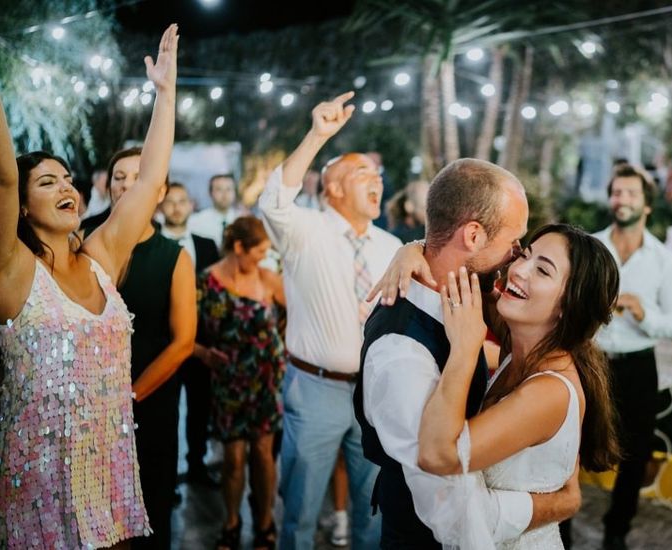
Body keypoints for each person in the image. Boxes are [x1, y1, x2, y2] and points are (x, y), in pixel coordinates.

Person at [0, 24, 178, 549]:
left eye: (69, 179)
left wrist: (164, 95)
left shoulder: (102, 256)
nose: (66, 187)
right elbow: (5, 176)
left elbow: (148, 179)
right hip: (37, 477)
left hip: (109, 462)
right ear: (24, 208)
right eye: (47, 181)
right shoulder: (11, 269)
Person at [356, 158, 583, 548]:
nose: (517, 259)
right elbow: (457, 516)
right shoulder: (402, 354)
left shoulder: (465, 297)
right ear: (474, 236)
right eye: (516, 244)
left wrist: (416, 248)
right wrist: (559, 503)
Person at [413, 223, 621, 549]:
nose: (518, 270)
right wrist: (411, 251)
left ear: (570, 304)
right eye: (525, 255)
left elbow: (437, 456)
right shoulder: (523, 344)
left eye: (542, 270)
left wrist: (465, 351)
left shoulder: (547, 392)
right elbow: (456, 275)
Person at [257, 92, 399, 550]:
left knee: (372, 509)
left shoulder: (390, 247)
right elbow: (274, 201)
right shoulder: (305, 230)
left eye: (377, 175)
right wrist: (319, 134)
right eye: (362, 173)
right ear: (332, 188)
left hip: (376, 394)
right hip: (315, 388)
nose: (375, 181)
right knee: (299, 510)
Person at [99, 145, 197, 550]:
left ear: (158, 190)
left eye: (138, 177)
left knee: (150, 506)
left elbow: (183, 342)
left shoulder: (172, 256)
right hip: (90, 403)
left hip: (149, 402)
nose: (126, 185)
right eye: (118, 177)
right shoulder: (84, 242)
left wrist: (132, 395)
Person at [592, 163, 672, 550]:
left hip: (637, 365)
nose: (623, 200)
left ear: (647, 205)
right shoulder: (592, 248)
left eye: (632, 193)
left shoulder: (666, 261)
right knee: (568, 442)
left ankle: (617, 530)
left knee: (635, 453)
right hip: (591, 361)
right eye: (617, 192)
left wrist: (644, 313)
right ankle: (557, 530)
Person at [196, 216, 286, 550]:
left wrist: (283, 351)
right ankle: (231, 522)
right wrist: (204, 353)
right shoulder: (206, 281)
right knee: (232, 459)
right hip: (228, 382)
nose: (263, 258)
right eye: (258, 251)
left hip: (265, 381)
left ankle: (264, 522)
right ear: (238, 247)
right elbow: (183, 331)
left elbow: (297, 317)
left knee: (264, 454)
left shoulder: (270, 280)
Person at [161, 182, 221, 485]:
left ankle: (197, 466)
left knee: (200, 409)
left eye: (182, 201)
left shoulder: (208, 244)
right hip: (163, 343)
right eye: (170, 201)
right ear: (160, 206)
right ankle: (166, 478)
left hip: (202, 342)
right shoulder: (151, 243)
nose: (176, 207)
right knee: (166, 414)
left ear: (191, 205)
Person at [189, 173, 244, 248]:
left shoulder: (242, 221)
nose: (224, 194)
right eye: (219, 189)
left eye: (229, 189)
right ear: (210, 193)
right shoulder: (196, 221)